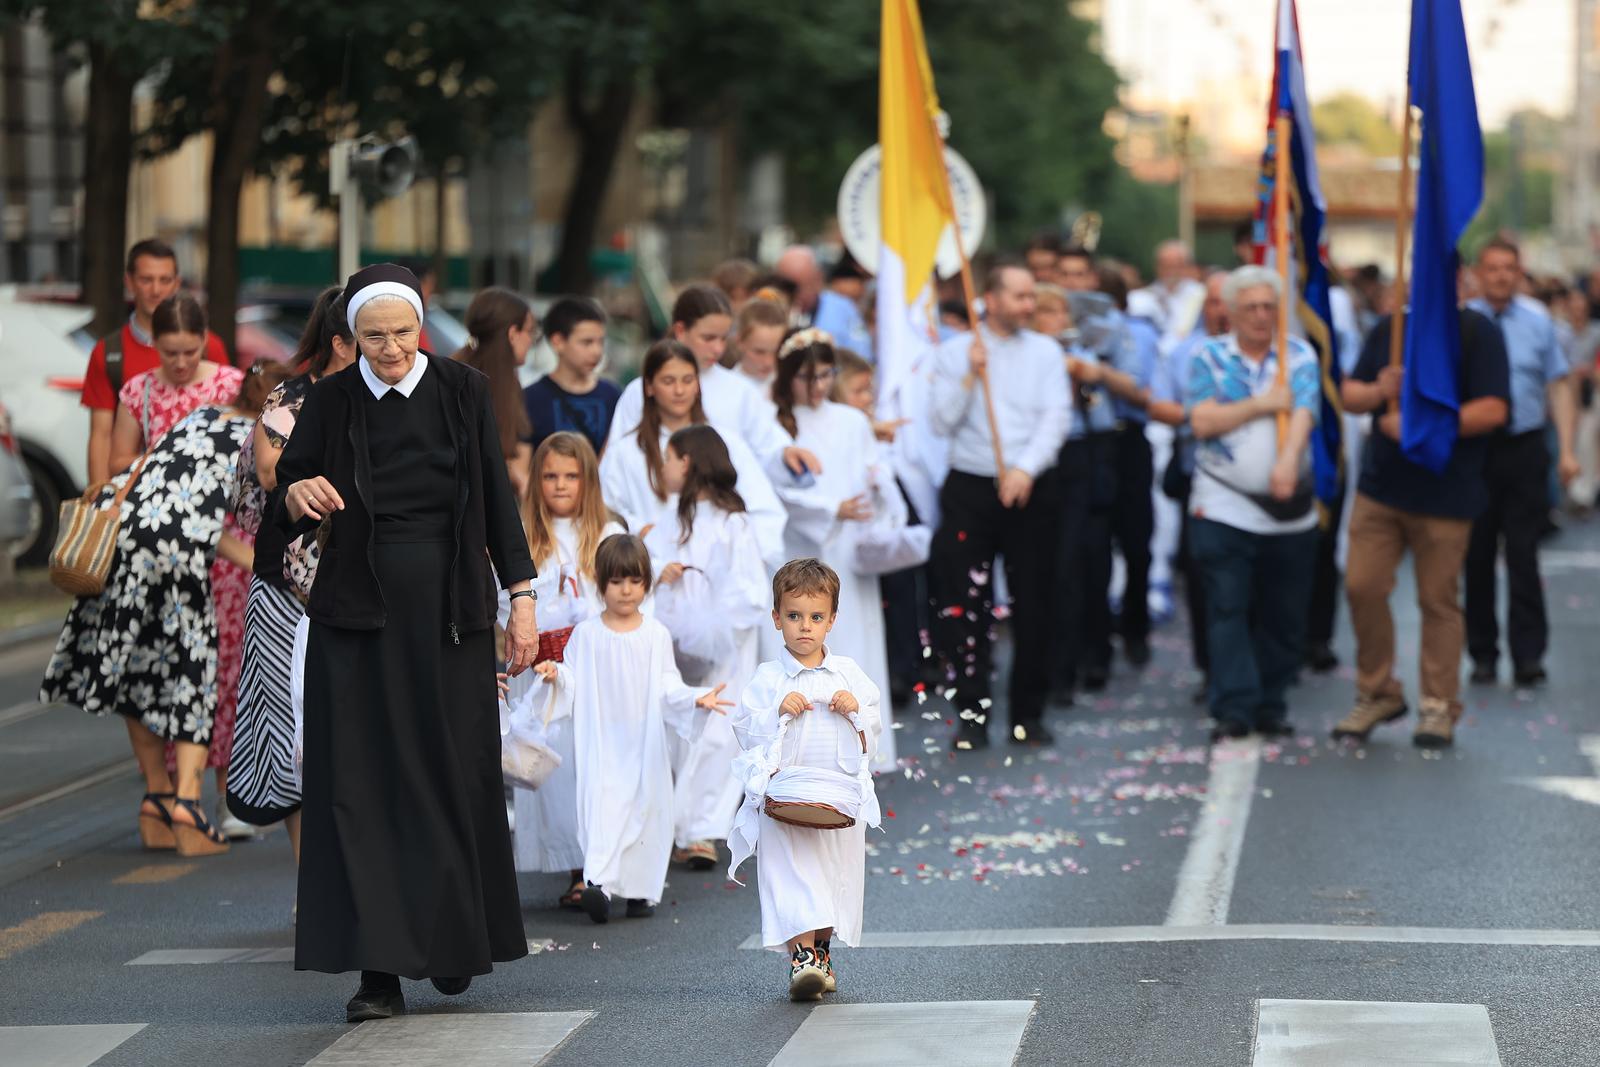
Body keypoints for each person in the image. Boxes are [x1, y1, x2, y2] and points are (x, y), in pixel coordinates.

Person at [273, 262, 538, 1022]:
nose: (389, 349)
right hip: (356, 618)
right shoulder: (328, 401)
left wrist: (521, 602)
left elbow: (495, 500)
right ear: (347, 337)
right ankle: (379, 970)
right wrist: (297, 493)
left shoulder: (463, 392)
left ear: (422, 327)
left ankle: (453, 941)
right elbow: (285, 499)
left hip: (451, 615)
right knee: (364, 786)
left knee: (452, 774)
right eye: (371, 337)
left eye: (401, 333)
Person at [42, 368, 279, 858]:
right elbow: (214, 529)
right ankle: (188, 809)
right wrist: (275, 571)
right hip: (169, 556)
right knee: (194, 673)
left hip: (118, 549)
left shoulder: (200, 417)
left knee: (137, 670)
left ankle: (157, 799)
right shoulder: (258, 437)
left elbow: (154, 481)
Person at [1332, 310, 1510, 748]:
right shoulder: (1388, 328)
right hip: (1382, 490)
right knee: (1362, 585)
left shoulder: (1477, 332)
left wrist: (1421, 429)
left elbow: (1493, 408)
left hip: (1446, 492)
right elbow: (1349, 394)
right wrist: (1380, 390)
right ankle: (1377, 692)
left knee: (1438, 599)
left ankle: (1437, 705)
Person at [535, 534, 734, 924]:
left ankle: (641, 890)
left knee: (646, 810)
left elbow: (666, 685)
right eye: (617, 581)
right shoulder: (587, 635)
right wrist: (555, 674)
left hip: (644, 744)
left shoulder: (655, 634)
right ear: (601, 583)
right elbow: (572, 680)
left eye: (635, 581)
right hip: (601, 743)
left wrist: (695, 698)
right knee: (602, 808)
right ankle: (600, 886)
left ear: (646, 582)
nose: (626, 590)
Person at [226, 287, 358, 868]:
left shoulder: (388, 400)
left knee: (355, 725)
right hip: (287, 587)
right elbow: (268, 469)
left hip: (361, 582)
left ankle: (355, 872)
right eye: (370, 338)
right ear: (339, 342)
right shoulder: (291, 397)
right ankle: (311, 877)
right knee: (286, 722)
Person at [110, 295, 250, 831]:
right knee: (172, 667)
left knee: (227, 669)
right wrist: (167, 460)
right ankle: (171, 793)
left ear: (204, 340)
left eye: (190, 352)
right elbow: (117, 463)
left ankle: (227, 795)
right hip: (165, 555)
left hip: (224, 552)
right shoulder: (139, 392)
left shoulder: (230, 386)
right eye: (170, 353)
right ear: (154, 346)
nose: (182, 364)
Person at [927, 263, 1071, 750]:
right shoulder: (954, 353)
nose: (1029, 306)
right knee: (964, 605)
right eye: (1020, 297)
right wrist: (969, 373)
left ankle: (1029, 714)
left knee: (1036, 602)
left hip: (1031, 486)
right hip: (970, 486)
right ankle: (971, 714)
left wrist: (1025, 468)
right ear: (989, 297)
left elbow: (1056, 417)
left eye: (1032, 297)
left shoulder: (1048, 352)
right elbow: (940, 422)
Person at [727, 558, 882, 1002]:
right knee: (791, 875)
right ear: (776, 618)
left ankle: (822, 950)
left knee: (832, 875)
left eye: (816, 617)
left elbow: (872, 724)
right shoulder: (768, 678)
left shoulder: (849, 673)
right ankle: (803, 959)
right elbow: (744, 729)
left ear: (832, 620)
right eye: (794, 616)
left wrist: (855, 709)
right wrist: (776, 709)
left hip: (835, 797)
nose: (804, 628)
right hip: (785, 799)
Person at [1185, 266, 1320, 741]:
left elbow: (1304, 412)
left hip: (1288, 509)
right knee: (1228, 605)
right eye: (1252, 308)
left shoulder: (1298, 356)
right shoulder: (1209, 357)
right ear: (1232, 312)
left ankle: (1271, 701)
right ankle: (1235, 706)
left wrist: (1286, 462)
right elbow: (1202, 420)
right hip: (1224, 503)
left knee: (1283, 612)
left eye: (1269, 307)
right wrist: (1261, 405)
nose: (1262, 317)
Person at [771, 331, 904, 769]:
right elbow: (777, 490)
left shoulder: (851, 420)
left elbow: (875, 468)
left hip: (848, 546)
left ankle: (861, 738)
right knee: (805, 629)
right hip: (803, 544)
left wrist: (876, 483)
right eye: (808, 377)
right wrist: (831, 508)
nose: (819, 387)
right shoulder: (778, 425)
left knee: (853, 634)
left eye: (826, 375)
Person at [505, 432, 623, 909]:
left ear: (587, 481)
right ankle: (579, 868)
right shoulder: (522, 534)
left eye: (571, 476)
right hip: (546, 672)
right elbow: (505, 600)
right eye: (550, 476)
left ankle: (605, 867)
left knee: (602, 766)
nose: (560, 485)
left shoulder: (610, 531)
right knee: (561, 770)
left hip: (597, 667)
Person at [642, 425, 768, 869]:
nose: (663, 467)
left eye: (669, 458)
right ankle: (676, 823)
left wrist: (714, 627)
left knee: (716, 734)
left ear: (688, 463)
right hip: (675, 642)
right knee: (677, 726)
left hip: (724, 649)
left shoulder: (733, 523)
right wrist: (662, 571)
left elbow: (750, 589)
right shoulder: (670, 519)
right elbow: (646, 565)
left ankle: (703, 828)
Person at [1463, 238, 1580, 687]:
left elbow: (1560, 386)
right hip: (1475, 450)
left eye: (1509, 268)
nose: (1500, 276)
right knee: (1475, 555)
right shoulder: (1464, 323)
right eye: (1492, 268)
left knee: (1524, 553)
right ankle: (1483, 652)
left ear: (1519, 272)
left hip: (1525, 447)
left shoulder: (1538, 323)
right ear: (1478, 272)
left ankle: (1529, 654)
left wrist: (1567, 449)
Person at [606, 286, 818, 487]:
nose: (718, 348)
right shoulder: (640, 391)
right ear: (680, 330)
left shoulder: (739, 390)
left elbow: (765, 446)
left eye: (723, 339)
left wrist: (785, 454)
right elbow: (617, 463)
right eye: (708, 338)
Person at [600, 340, 787, 567]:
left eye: (688, 380)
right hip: (652, 575)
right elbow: (606, 509)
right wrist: (641, 530)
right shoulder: (626, 451)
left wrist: (743, 558)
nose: (679, 391)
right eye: (668, 381)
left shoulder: (726, 443)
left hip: (718, 574)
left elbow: (763, 509)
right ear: (649, 387)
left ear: (698, 384)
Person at [81, 238, 230, 486]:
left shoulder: (208, 346)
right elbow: (101, 434)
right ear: (129, 282)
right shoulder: (109, 352)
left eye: (165, 280)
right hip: (139, 490)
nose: (156, 290)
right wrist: (100, 494)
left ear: (177, 283)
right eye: (146, 279)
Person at [1149, 270, 1230, 703]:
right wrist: (1197, 417)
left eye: (1228, 301)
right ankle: (1210, 668)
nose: (1221, 310)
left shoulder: (1273, 355)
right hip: (1199, 478)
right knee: (1202, 578)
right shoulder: (1185, 352)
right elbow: (1157, 402)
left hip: (1252, 485)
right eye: (1213, 301)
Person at [453, 287, 538, 499]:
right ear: (512, 334)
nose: (531, 340)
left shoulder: (454, 370)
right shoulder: (464, 381)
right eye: (530, 331)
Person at [522, 296, 620, 455]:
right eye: (587, 342)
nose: (597, 351)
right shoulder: (530, 398)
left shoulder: (612, 396)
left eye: (601, 342)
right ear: (558, 342)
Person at [811, 254, 872, 358]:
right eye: (842, 296)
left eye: (854, 299)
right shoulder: (829, 305)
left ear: (862, 290)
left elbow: (863, 350)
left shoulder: (870, 308)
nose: (848, 303)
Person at [726, 297, 788, 390]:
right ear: (739, 342)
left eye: (777, 352)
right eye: (759, 352)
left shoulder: (791, 388)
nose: (768, 362)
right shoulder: (726, 389)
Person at [775, 245, 825, 325]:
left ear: (817, 280)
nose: (793, 296)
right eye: (785, 287)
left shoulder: (839, 313)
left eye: (799, 288)